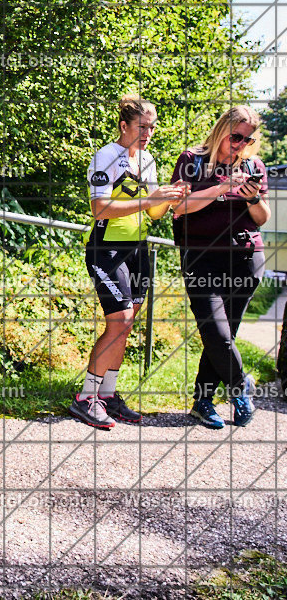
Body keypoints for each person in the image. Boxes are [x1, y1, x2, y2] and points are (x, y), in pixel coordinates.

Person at [70, 96, 186, 429]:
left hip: (137, 249)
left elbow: (152, 212)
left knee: (128, 322)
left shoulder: (147, 160)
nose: (148, 132)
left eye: (152, 127)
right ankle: (85, 398)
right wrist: (149, 198)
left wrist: (170, 198)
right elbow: (100, 209)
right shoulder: (105, 157)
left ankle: (107, 395)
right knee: (118, 320)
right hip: (106, 249)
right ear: (124, 126)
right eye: (142, 126)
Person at [169, 106, 268, 429]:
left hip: (245, 257)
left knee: (227, 335)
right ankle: (241, 386)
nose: (241, 144)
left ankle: (203, 401)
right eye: (235, 136)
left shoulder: (253, 166)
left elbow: (262, 219)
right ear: (221, 129)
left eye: (247, 139)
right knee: (216, 332)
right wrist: (222, 188)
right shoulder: (192, 161)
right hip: (201, 257)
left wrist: (253, 198)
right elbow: (180, 206)